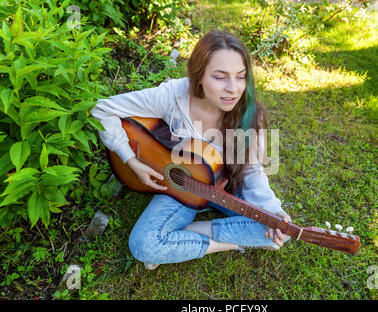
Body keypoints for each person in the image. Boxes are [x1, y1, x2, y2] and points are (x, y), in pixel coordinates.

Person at [91, 30, 291, 269]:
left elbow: (253, 172)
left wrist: (272, 211)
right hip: (180, 189)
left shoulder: (249, 113)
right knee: (144, 245)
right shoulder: (172, 96)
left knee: (280, 230)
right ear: (199, 76)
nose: (233, 89)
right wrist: (132, 161)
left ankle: (188, 232)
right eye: (220, 77)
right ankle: (228, 242)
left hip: (223, 183)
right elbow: (102, 110)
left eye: (241, 77)